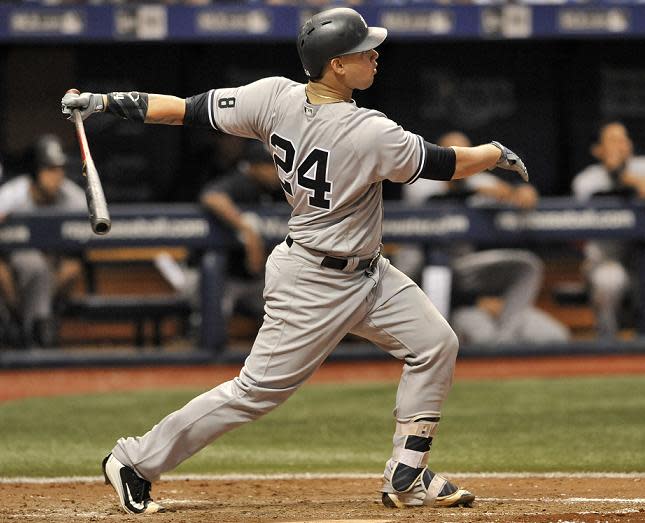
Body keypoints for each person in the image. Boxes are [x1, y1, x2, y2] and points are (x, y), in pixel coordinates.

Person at [62, 7, 528, 514]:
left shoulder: (272, 97)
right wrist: (495, 151)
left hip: (367, 272)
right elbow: (448, 164)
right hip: (313, 280)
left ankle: (407, 474)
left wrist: (104, 101)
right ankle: (134, 460)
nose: (374, 55)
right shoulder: (367, 130)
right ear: (335, 66)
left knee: (436, 344)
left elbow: (181, 109)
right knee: (254, 393)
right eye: (362, 51)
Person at [397, 131, 569, 346]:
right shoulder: (420, 182)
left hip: (469, 272)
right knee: (479, 336)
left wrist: (521, 191)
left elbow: (515, 194)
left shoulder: (476, 177)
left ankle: (505, 341)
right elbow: (437, 192)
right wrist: (470, 187)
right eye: (451, 154)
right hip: (436, 276)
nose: (459, 159)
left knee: (529, 270)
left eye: (464, 154)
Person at [0, 134, 86, 348]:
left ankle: (30, 327)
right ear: (34, 171)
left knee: (62, 268)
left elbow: (79, 251)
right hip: (13, 264)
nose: (57, 176)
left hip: (54, 262)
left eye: (60, 168)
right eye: (49, 169)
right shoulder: (12, 194)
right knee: (32, 264)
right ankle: (34, 327)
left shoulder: (73, 197)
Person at [571, 121, 645, 338]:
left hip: (639, 260)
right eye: (613, 141)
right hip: (607, 260)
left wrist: (622, 174)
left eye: (624, 140)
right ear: (598, 150)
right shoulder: (587, 180)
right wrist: (616, 173)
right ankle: (608, 344)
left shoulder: (642, 167)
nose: (620, 146)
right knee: (609, 280)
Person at [200, 140, 285, 327]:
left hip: (258, 280)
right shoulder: (240, 181)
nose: (275, 172)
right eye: (269, 166)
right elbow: (211, 196)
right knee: (213, 318)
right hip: (227, 277)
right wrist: (246, 229)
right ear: (254, 166)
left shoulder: (279, 189)